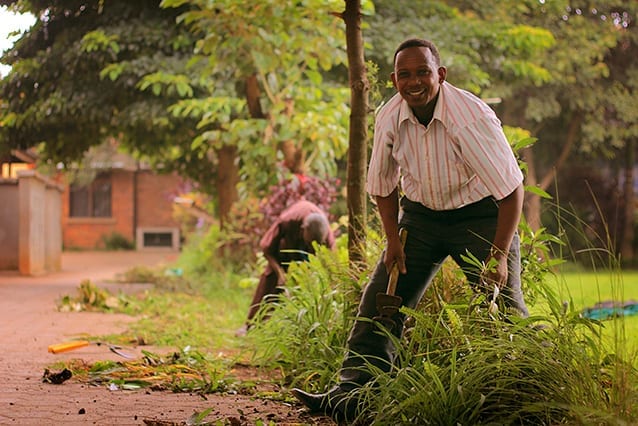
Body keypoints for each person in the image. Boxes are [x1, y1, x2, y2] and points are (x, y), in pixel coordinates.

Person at [292, 38, 529, 420]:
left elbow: (511, 190)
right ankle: (351, 398)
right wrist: (391, 241)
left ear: (440, 74)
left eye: (423, 72)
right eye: (405, 74)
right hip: (420, 218)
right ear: (394, 79)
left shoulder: (471, 117)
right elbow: (382, 186)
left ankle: (520, 405)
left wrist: (498, 256)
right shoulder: (389, 116)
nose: (414, 81)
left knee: (501, 307)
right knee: (382, 300)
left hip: (482, 217)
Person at [236, 199, 335, 337]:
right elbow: (266, 249)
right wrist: (280, 273)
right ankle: (249, 325)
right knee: (270, 279)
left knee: (305, 291)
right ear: (303, 229)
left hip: (305, 262)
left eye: (315, 245)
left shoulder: (326, 235)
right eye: (309, 243)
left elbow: (330, 264)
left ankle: (301, 332)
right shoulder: (288, 221)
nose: (311, 248)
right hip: (284, 249)